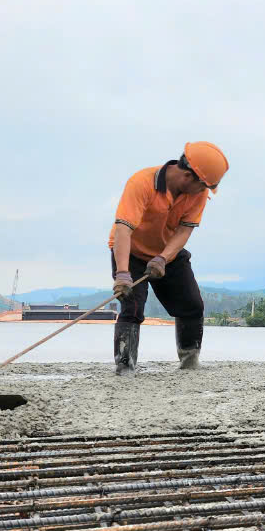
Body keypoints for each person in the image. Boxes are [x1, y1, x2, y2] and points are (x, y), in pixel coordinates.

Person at [107, 141, 228, 375]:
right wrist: (122, 273)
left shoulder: (198, 194)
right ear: (187, 176)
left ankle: (189, 362)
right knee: (132, 307)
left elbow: (185, 229)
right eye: (203, 185)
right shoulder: (141, 183)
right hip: (130, 251)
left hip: (167, 252)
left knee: (192, 305)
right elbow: (123, 229)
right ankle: (125, 366)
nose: (205, 191)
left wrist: (163, 258)